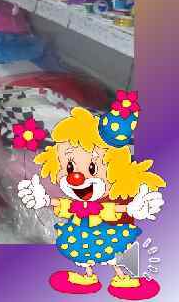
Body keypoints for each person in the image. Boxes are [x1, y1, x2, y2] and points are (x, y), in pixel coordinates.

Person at [19, 92, 165, 300]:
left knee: (111, 254)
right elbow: (65, 204)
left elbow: (115, 209)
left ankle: (121, 277)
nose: (76, 178)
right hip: (80, 231)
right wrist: (43, 199)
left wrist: (134, 208)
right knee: (82, 253)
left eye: (91, 169)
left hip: (103, 231)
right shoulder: (75, 199)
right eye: (69, 167)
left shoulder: (107, 199)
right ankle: (88, 277)